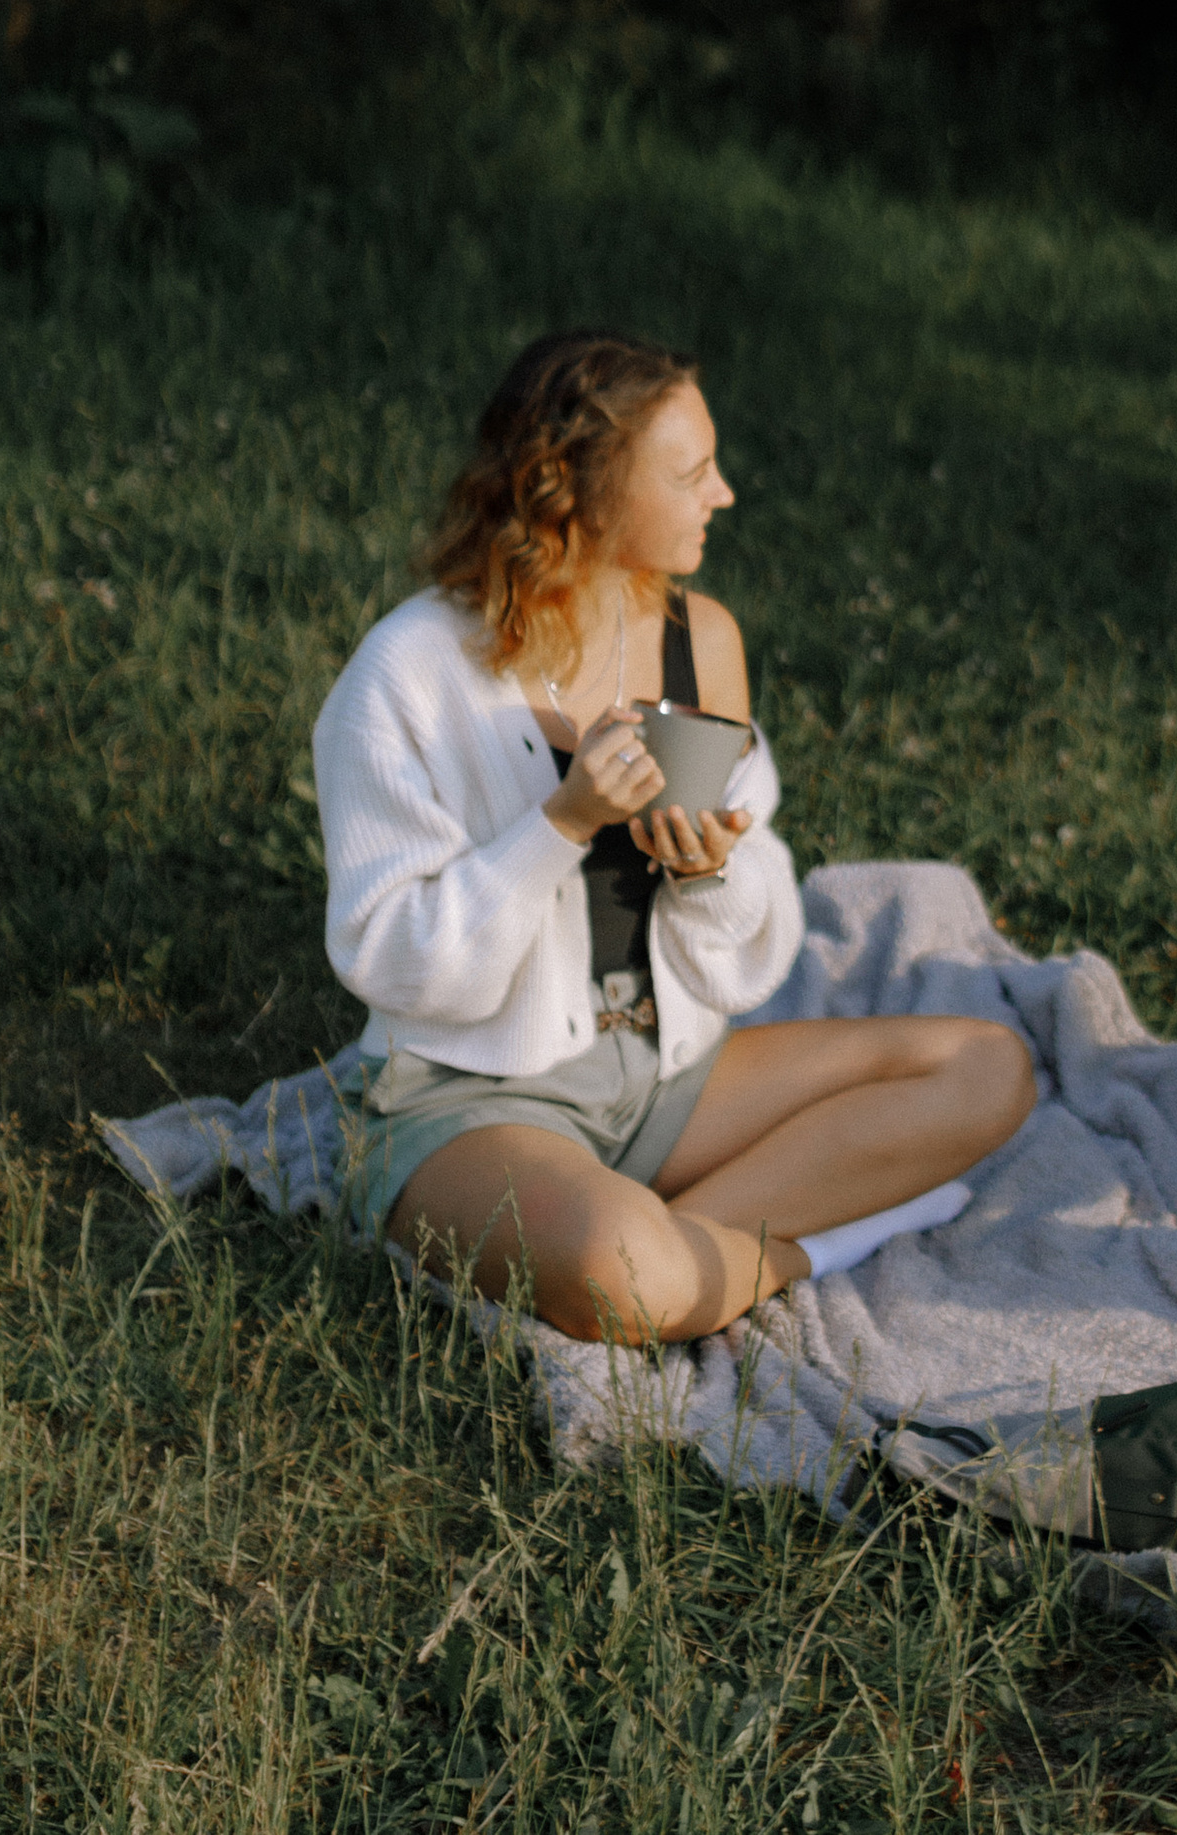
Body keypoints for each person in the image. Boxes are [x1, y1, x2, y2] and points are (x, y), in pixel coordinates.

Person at [313, 329, 1035, 1346]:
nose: (724, 493)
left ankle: (676, 1251)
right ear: (582, 489)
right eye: (691, 471)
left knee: (987, 1067)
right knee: (624, 1278)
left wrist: (711, 871)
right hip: (468, 1101)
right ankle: (803, 1245)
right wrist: (560, 822)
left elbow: (745, 955)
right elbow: (396, 964)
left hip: (663, 1079)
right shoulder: (409, 675)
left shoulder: (704, 642)